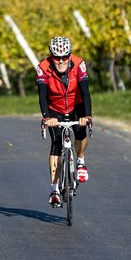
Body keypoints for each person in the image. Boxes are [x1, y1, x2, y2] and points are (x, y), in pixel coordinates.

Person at [37, 36, 92, 207]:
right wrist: (47, 117)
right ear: (51, 56)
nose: (60, 61)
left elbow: (85, 91)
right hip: (55, 109)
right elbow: (42, 95)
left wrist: (87, 115)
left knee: (81, 131)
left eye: (64, 57)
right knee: (56, 144)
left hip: (76, 105)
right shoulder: (42, 68)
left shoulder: (79, 64)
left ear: (69, 55)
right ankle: (54, 189)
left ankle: (81, 162)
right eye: (56, 57)